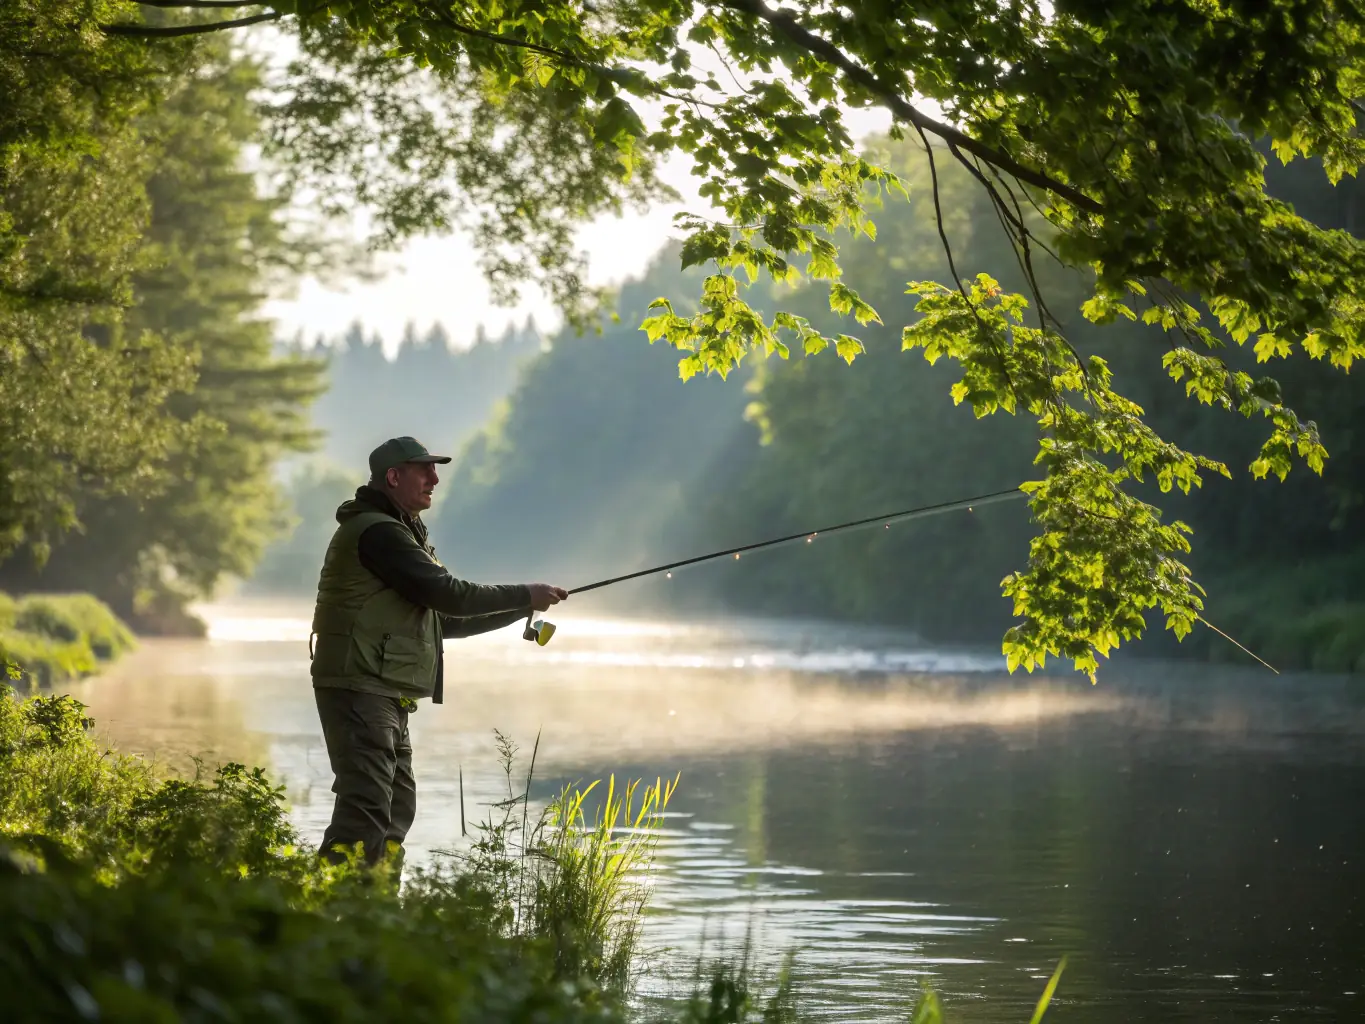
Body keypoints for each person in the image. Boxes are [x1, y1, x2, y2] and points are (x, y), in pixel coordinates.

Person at [309, 435, 566, 866]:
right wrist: (523, 591)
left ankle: (375, 919)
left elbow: (444, 618)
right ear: (393, 476)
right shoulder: (378, 533)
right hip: (361, 686)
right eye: (423, 469)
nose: (434, 478)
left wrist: (523, 604)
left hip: (383, 688)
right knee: (366, 811)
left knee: (395, 809)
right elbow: (449, 594)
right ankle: (313, 920)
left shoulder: (401, 533)